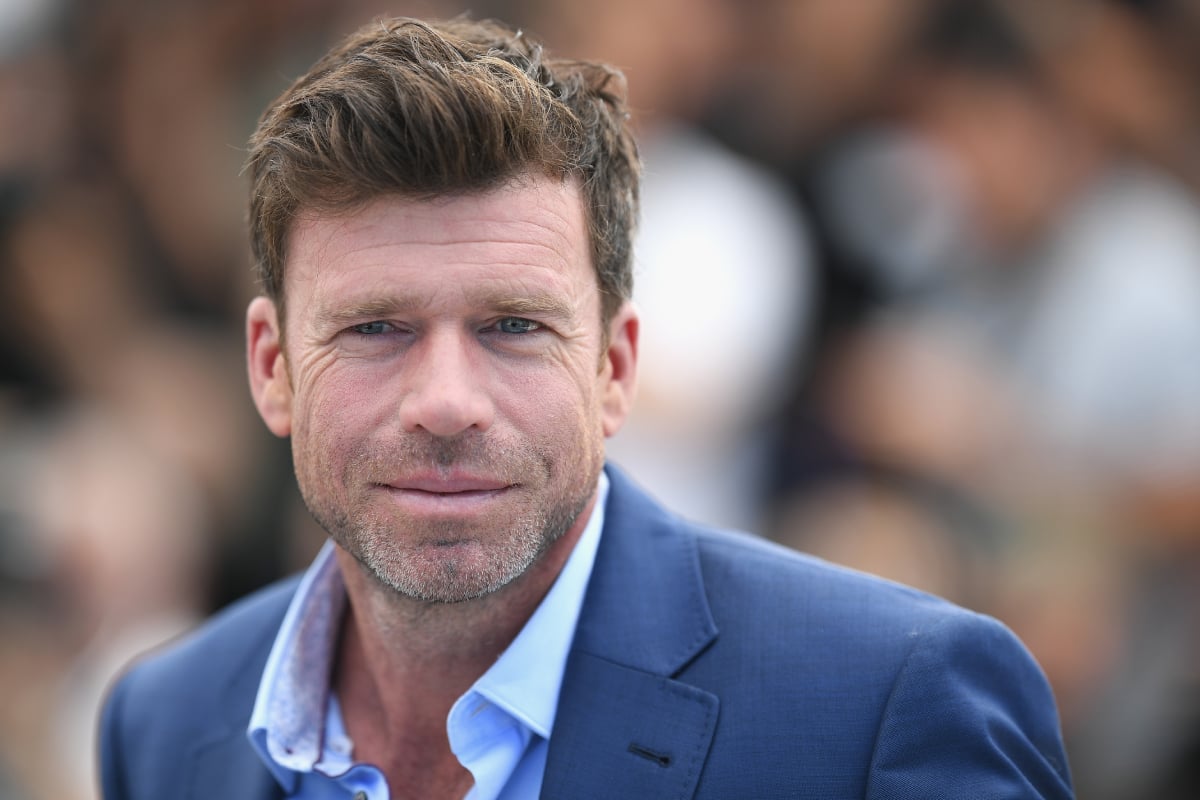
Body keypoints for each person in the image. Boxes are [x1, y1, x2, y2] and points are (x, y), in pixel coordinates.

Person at [98, 16, 1074, 799]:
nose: (445, 401)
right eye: (375, 328)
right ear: (272, 366)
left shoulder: (882, 705)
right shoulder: (163, 720)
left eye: (514, 325)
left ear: (614, 365)